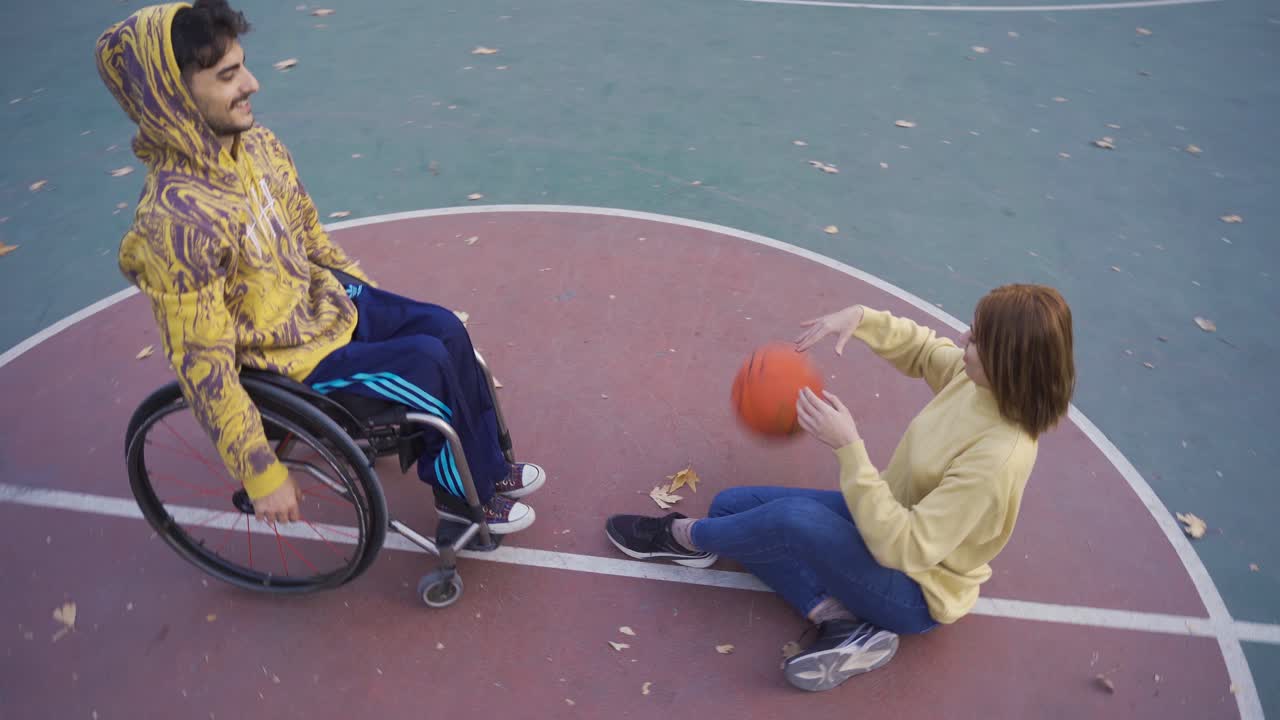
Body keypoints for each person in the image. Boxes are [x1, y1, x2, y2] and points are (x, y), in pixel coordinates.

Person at [96, 0, 544, 532]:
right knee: (426, 363)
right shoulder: (176, 225)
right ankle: (461, 502)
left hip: (318, 302)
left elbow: (309, 236)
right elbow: (202, 363)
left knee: (443, 326)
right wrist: (259, 471)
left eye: (243, 66)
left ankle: (487, 469)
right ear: (171, 97)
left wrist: (372, 303)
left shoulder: (258, 146)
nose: (252, 84)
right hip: (285, 361)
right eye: (228, 76)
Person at [605, 285, 1075, 691]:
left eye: (977, 339)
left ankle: (681, 537)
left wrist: (849, 448)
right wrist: (862, 318)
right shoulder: (978, 384)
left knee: (786, 522)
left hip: (915, 587)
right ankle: (842, 625)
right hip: (885, 519)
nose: (963, 338)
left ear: (1006, 362)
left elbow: (904, 547)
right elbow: (925, 351)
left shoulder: (997, 457)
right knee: (731, 509)